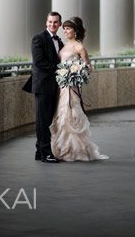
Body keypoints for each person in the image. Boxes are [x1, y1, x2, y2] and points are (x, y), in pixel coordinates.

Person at [49, 17, 109, 161]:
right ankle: (62, 149)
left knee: (71, 114)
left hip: (71, 87)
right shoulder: (64, 46)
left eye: (68, 28)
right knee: (60, 114)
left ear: (75, 31)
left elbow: (89, 67)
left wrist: (75, 73)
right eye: (64, 29)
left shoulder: (79, 47)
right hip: (61, 86)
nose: (65, 31)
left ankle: (75, 151)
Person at [29, 11, 64, 164]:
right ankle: (46, 153)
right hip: (42, 86)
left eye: (55, 22)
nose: (53, 24)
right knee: (43, 121)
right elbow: (39, 62)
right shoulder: (38, 38)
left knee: (47, 120)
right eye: (50, 22)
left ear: (60, 24)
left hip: (53, 86)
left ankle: (39, 152)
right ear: (46, 22)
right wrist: (60, 68)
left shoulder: (60, 41)